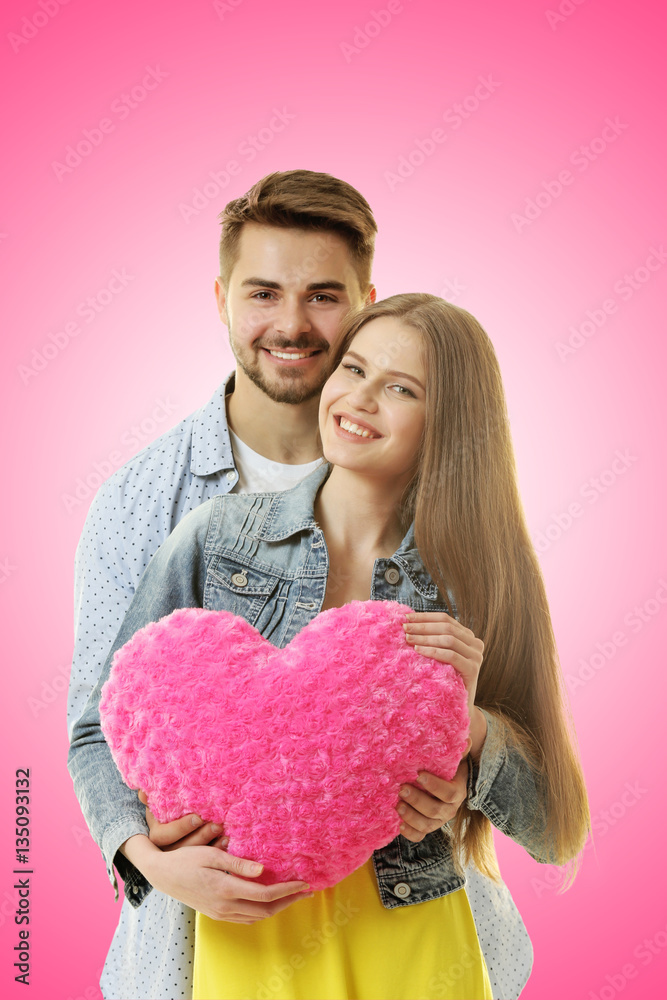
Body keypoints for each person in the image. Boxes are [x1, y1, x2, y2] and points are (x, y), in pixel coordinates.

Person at [68, 172, 536, 1000]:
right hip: (212, 944)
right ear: (220, 298)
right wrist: (148, 861)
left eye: (323, 296)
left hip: (419, 933)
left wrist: (466, 757)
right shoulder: (157, 504)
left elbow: (548, 799)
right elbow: (93, 729)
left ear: (364, 300)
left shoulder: (463, 543)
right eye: (262, 293)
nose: (291, 324)